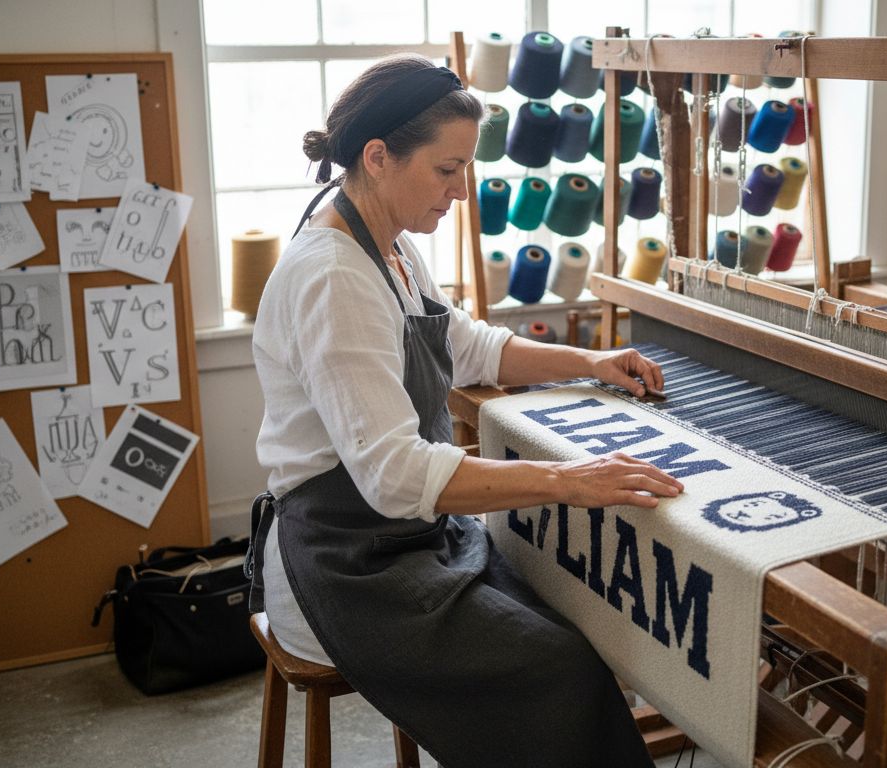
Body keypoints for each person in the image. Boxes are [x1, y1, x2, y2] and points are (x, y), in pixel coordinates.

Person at [246, 54, 683, 767]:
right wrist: (570, 481)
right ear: (379, 157)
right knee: (558, 668)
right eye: (447, 171)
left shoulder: (389, 245)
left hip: (406, 539)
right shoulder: (334, 279)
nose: (461, 190)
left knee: (577, 624)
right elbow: (392, 473)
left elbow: (466, 345)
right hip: (343, 560)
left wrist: (592, 363)